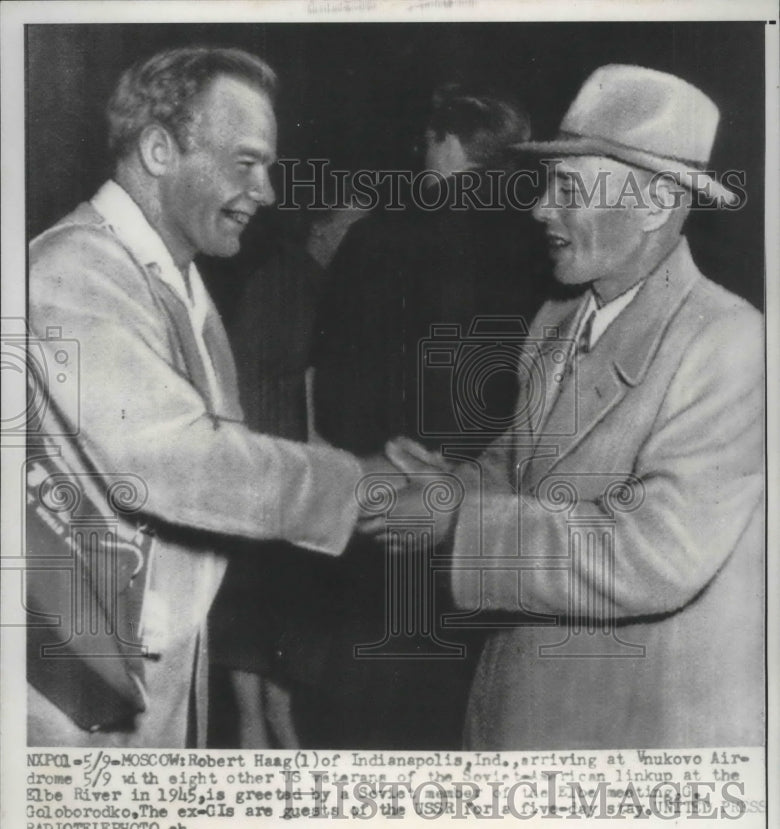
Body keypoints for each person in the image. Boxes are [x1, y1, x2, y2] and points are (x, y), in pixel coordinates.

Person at [360, 65, 764, 749]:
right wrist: (444, 488)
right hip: (524, 709)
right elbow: (517, 471)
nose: (540, 208)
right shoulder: (559, 315)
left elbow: (651, 556)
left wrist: (460, 523)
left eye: (567, 187)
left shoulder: (731, 343)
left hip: (632, 737)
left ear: (657, 203)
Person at [25, 46, 391, 748]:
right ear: (159, 149)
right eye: (246, 163)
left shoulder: (176, 281)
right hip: (70, 699)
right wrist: (359, 486)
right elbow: (180, 461)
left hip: (146, 670)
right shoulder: (72, 271)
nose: (268, 191)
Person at [300, 83, 548, 748]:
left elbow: (332, 393)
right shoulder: (547, 245)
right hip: (492, 517)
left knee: (371, 714)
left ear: (445, 142)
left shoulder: (378, 234)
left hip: (386, 502)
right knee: (463, 717)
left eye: (427, 142)